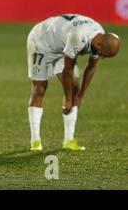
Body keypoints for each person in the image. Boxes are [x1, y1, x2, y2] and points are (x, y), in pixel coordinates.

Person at [27, 14, 120, 151]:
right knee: (40, 88)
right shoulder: (79, 36)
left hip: (62, 47)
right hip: (41, 41)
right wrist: (69, 99)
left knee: (75, 88)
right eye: (104, 54)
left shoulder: (99, 37)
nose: (102, 57)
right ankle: (35, 140)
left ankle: (69, 140)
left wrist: (80, 96)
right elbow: (68, 69)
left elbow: (91, 67)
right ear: (99, 44)